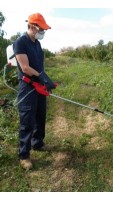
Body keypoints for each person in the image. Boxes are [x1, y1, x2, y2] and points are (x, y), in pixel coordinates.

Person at [13, 13, 55, 170]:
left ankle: (38, 143)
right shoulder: (20, 43)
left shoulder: (37, 44)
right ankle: (24, 155)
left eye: (44, 29)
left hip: (39, 84)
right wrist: (41, 77)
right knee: (27, 122)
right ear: (31, 26)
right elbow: (25, 68)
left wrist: (46, 79)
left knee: (40, 116)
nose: (43, 32)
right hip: (27, 87)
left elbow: (39, 66)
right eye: (41, 29)